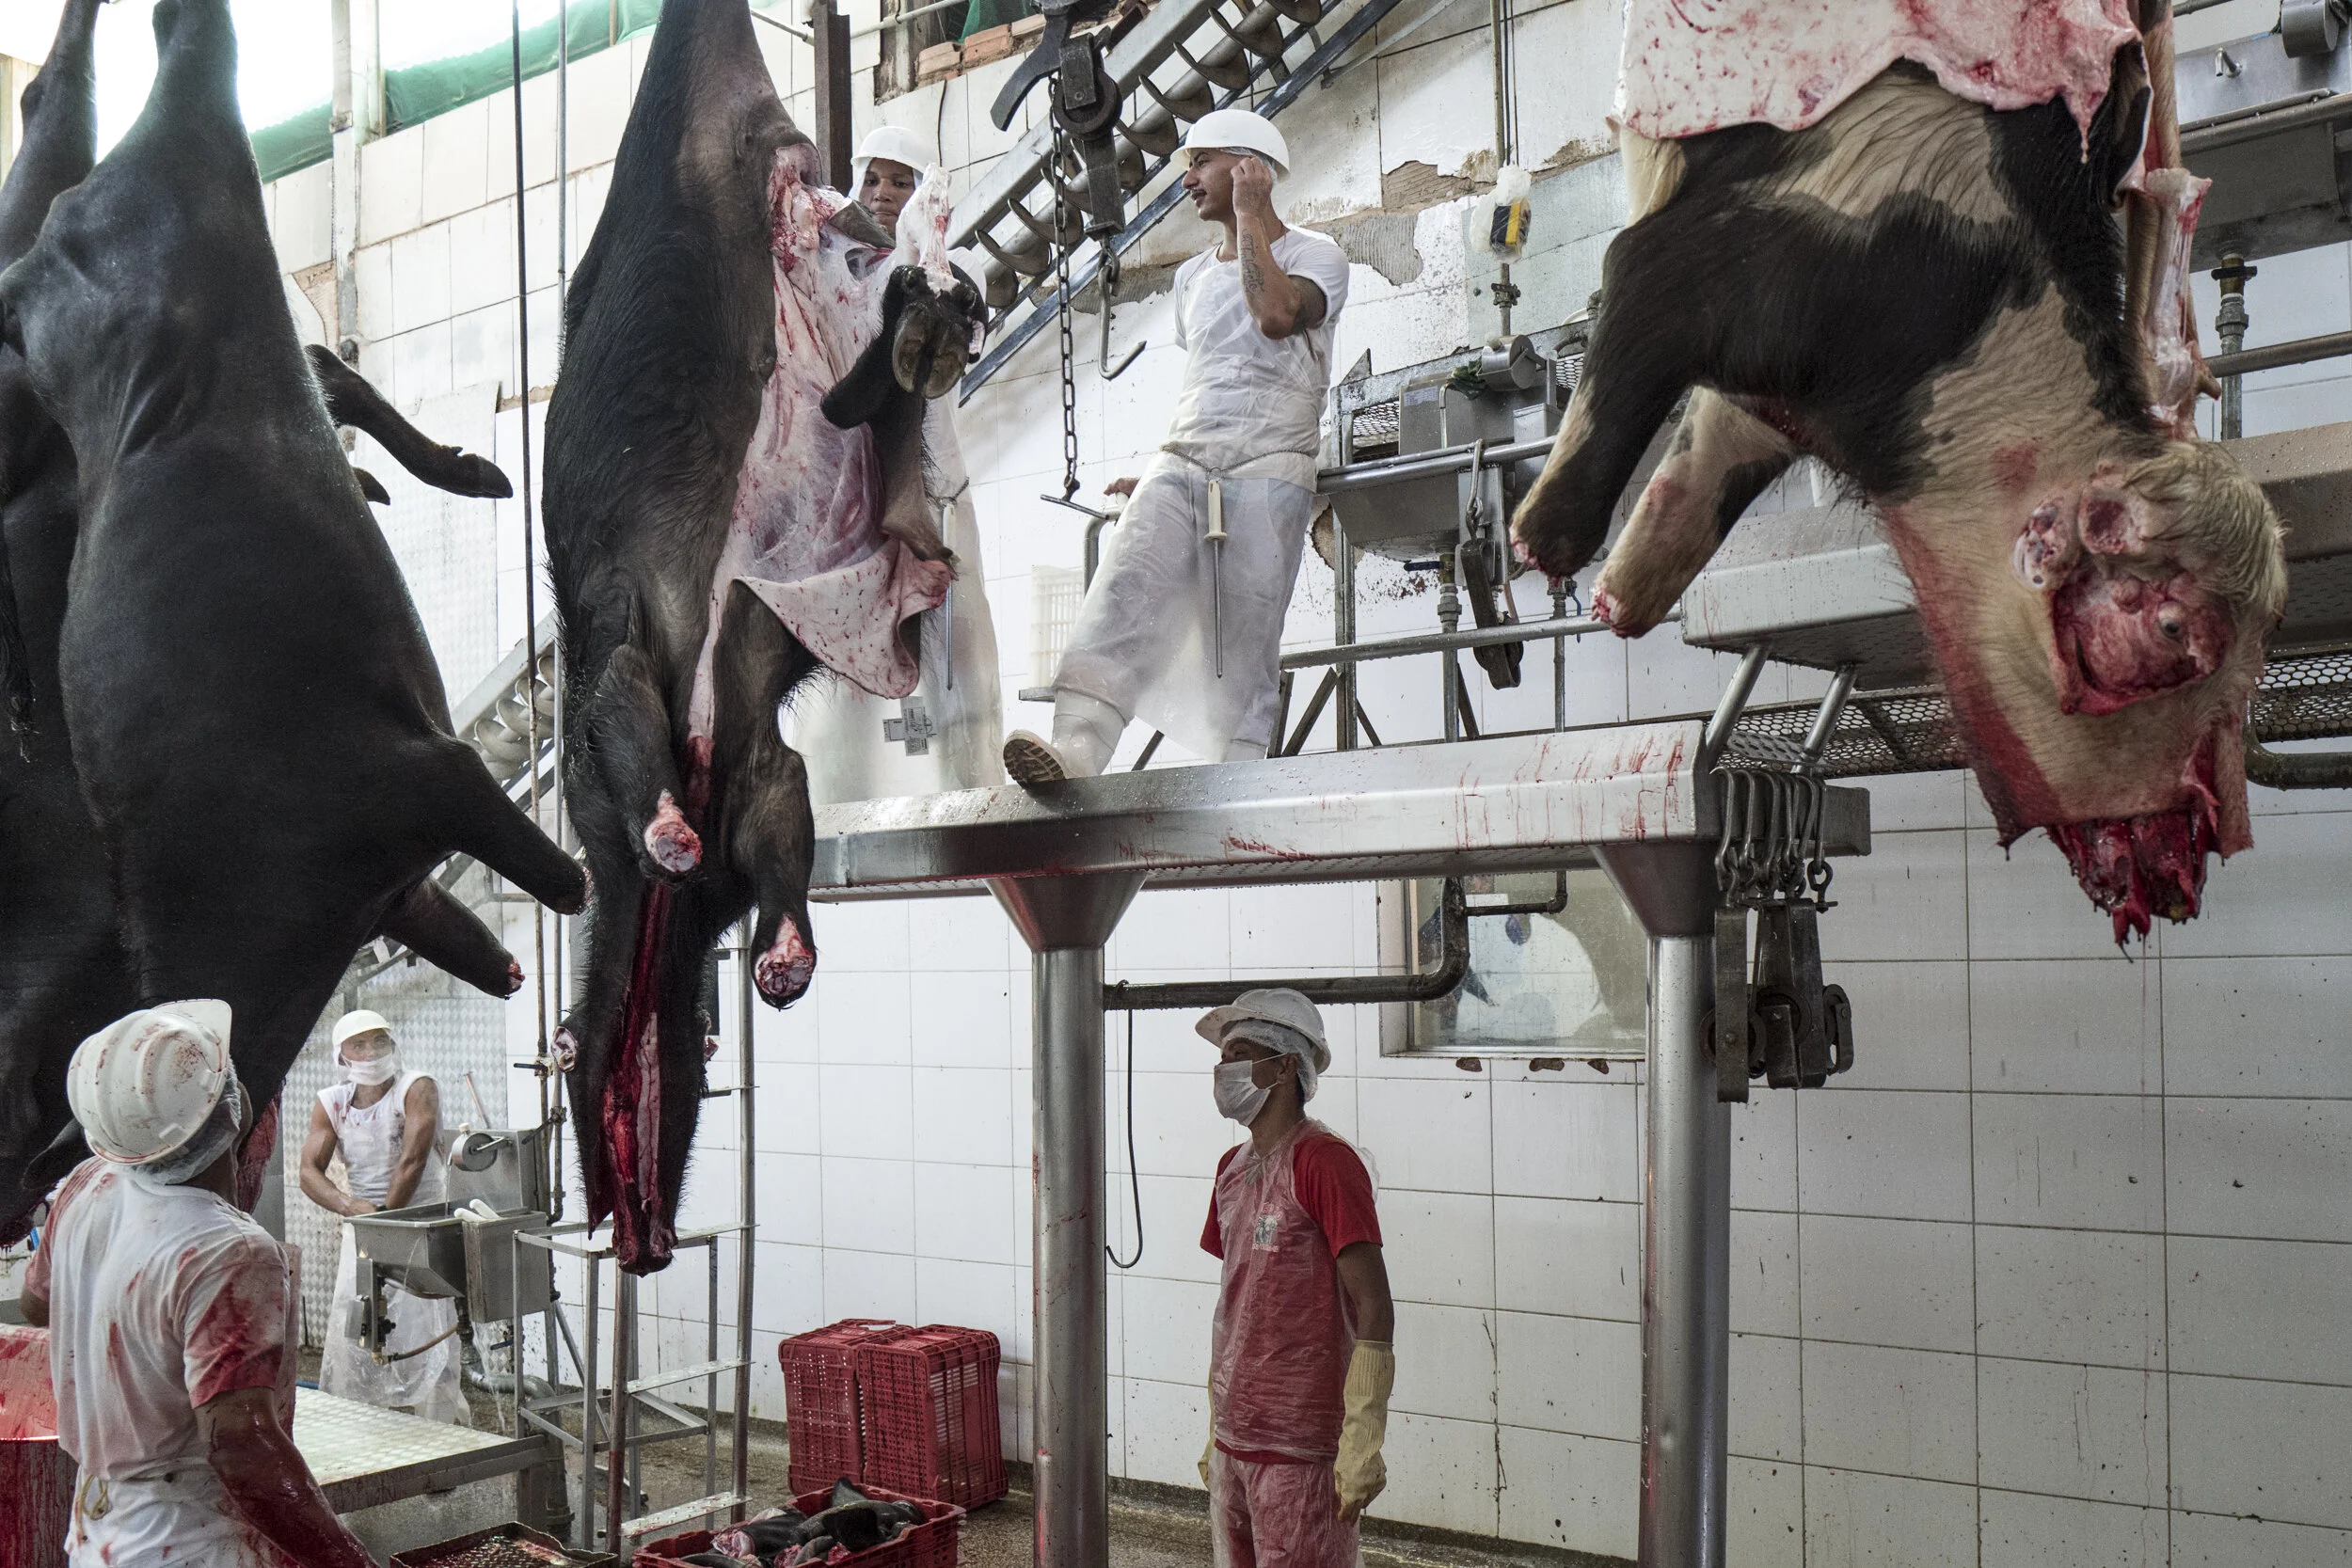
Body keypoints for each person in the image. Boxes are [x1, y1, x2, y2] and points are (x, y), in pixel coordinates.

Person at [1003, 108, 1351, 784]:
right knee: (1124, 590)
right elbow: (1214, 378)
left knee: (1242, 638)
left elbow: (1275, 316)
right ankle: (1077, 747)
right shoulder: (1192, 278)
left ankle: (1238, 770)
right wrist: (1160, 477)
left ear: (1250, 167)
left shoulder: (1318, 256)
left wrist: (1251, 215)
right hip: (1185, 459)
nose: (1187, 179)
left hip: (1269, 467)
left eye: (1202, 162)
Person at [21, 1002, 374, 1568]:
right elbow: (240, 1448)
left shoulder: (85, 1185)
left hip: (99, 1533)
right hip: (194, 1542)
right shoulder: (229, 1249)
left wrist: (130, 1344)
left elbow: (36, 1306)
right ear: (234, 1110)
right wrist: (352, 1561)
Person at [791, 124, 1008, 799]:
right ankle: (832, 802)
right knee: (842, 676)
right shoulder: (832, 270)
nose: (883, 195)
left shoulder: (947, 263)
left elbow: (968, 318)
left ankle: (975, 796)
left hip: (934, 484)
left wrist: (929, 269)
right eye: (874, 179)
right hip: (848, 500)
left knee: (959, 660)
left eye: (901, 180)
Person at [1196, 988, 1395, 1568]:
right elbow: (1235, 1304)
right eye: (1222, 1058)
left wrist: (1362, 1436)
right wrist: (1216, 1422)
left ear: (1284, 1066)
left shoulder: (1324, 1162)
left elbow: (1374, 1306)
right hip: (1239, 1431)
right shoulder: (1230, 1171)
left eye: (1239, 1055)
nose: (1222, 1070)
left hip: (1301, 1444)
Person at [298, 1008, 470, 1425]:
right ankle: (362, 1427)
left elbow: (411, 1161)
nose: (371, 1050)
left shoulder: (416, 1087)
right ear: (341, 1055)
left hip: (416, 1224)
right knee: (358, 1323)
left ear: (393, 1045)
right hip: (363, 1228)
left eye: (379, 1040)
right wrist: (350, 1207)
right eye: (359, 1044)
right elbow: (308, 1172)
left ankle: (439, 1435)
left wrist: (384, 1224)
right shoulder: (332, 1102)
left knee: (428, 1326)